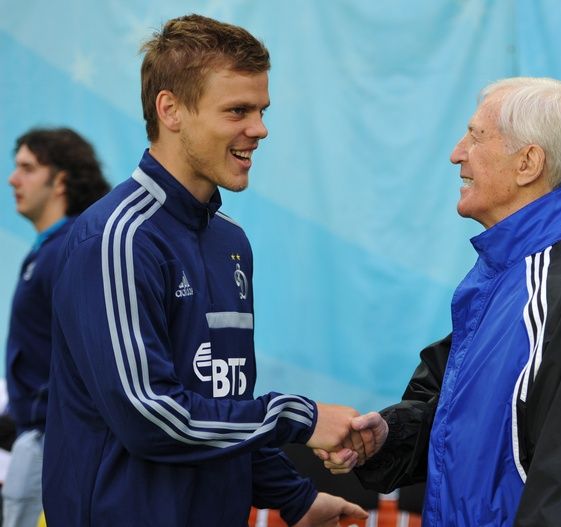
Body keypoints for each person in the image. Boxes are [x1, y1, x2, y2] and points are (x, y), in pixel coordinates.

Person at [42, 14, 372, 527]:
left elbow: (223, 406)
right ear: (170, 109)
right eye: (238, 110)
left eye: (261, 110)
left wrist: (296, 498)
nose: (259, 129)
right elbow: (152, 418)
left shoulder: (230, 240)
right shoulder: (117, 238)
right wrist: (300, 418)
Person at [319, 77, 561, 526]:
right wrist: (389, 436)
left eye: (475, 136)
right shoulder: (509, 274)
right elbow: (461, 413)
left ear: (528, 163)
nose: (457, 153)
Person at [5, 127, 110, 527]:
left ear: (60, 181)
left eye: (28, 168)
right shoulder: (53, 249)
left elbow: (94, 354)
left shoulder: (68, 250)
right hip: (43, 436)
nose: (13, 179)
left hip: (53, 443)